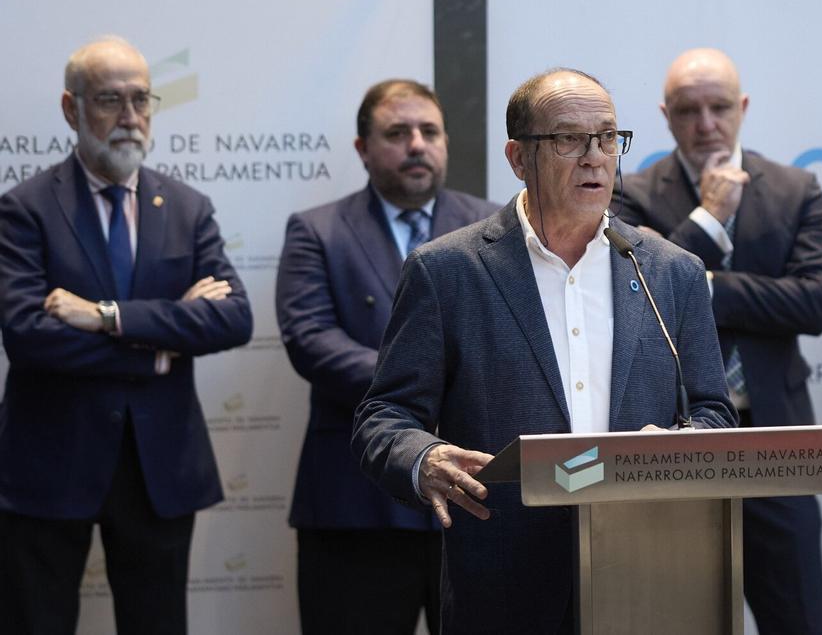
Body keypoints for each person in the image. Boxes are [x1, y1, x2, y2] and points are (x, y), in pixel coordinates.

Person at [351, 68, 737, 634]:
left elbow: (714, 412)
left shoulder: (668, 271)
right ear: (517, 157)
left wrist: (682, 447)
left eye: (608, 137)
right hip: (504, 582)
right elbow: (383, 416)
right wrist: (424, 458)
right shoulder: (449, 270)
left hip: (645, 571)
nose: (594, 157)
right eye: (568, 139)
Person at [0, 36, 253, 634]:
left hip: (158, 466)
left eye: (141, 99)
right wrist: (162, 346)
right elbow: (29, 335)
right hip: (48, 463)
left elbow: (233, 317)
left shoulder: (187, 207)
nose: (131, 117)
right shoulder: (25, 209)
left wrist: (108, 316)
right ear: (72, 109)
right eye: (111, 100)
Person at [613, 47, 822, 635]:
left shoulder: (795, 189)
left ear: (742, 108)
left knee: (799, 616)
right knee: (672, 618)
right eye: (688, 110)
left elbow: (815, 303)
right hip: (669, 436)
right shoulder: (629, 195)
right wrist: (711, 217)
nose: (705, 124)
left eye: (718, 107)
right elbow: (645, 291)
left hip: (774, 440)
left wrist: (705, 288)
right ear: (665, 115)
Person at [275, 79, 497, 634]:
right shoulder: (317, 231)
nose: (416, 144)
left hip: (474, 498)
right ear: (363, 148)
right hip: (354, 503)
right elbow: (310, 339)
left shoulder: (495, 229)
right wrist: (422, 385)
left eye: (429, 131)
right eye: (397, 133)